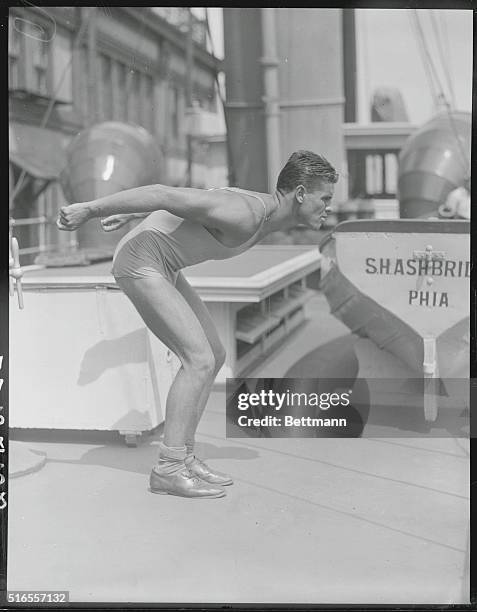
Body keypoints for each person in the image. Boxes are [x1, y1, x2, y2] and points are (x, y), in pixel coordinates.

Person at [57, 150, 338, 499]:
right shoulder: (245, 214)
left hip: (164, 264)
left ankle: (185, 457)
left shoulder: (263, 214)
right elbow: (164, 193)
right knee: (199, 359)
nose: (328, 207)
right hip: (141, 261)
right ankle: (169, 468)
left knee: (214, 355)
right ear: (299, 194)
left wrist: (134, 211)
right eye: (324, 198)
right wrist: (91, 209)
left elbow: (191, 203)